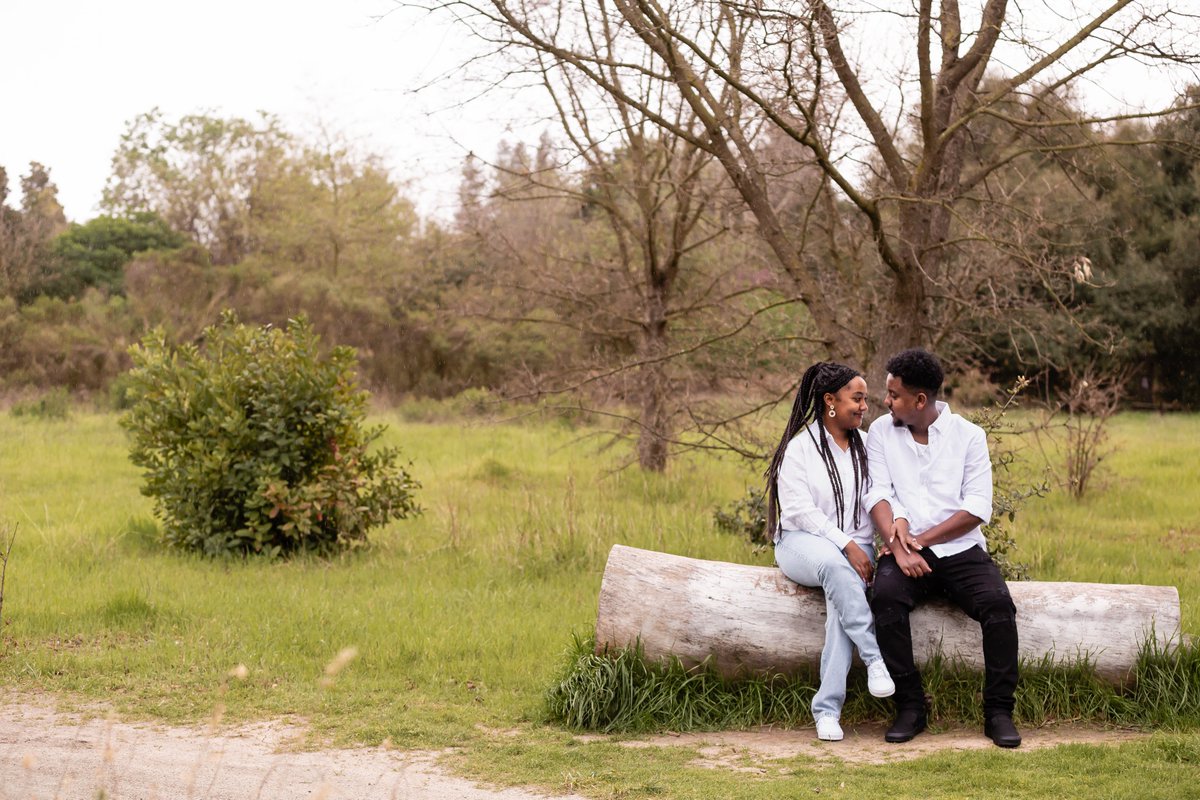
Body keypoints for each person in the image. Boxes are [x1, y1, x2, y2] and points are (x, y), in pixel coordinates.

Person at [865, 348, 1021, 748]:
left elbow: (976, 508)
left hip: (960, 549)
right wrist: (899, 547)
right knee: (884, 598)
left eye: (894, 395)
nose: (887, 401)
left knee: (999, 607)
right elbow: (879, 492)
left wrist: (920, 540)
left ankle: (999, 711)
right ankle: (911, 707)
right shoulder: (883, 431)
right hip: (904, 550)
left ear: (920, 400)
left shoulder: (969, 436)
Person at [765, 362, 896, 742]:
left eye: (865, 400)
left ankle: (826, 710)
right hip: (800, 543)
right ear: (830, 401)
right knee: (839, 572)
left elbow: (883, 494)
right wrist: (847, 545)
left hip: (857, 549)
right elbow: (799, 512)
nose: (864, 407)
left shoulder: (868, 445)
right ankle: (874, 660)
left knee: (842, 605)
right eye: (857, 398)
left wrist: (886, 539)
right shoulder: (801, 448)